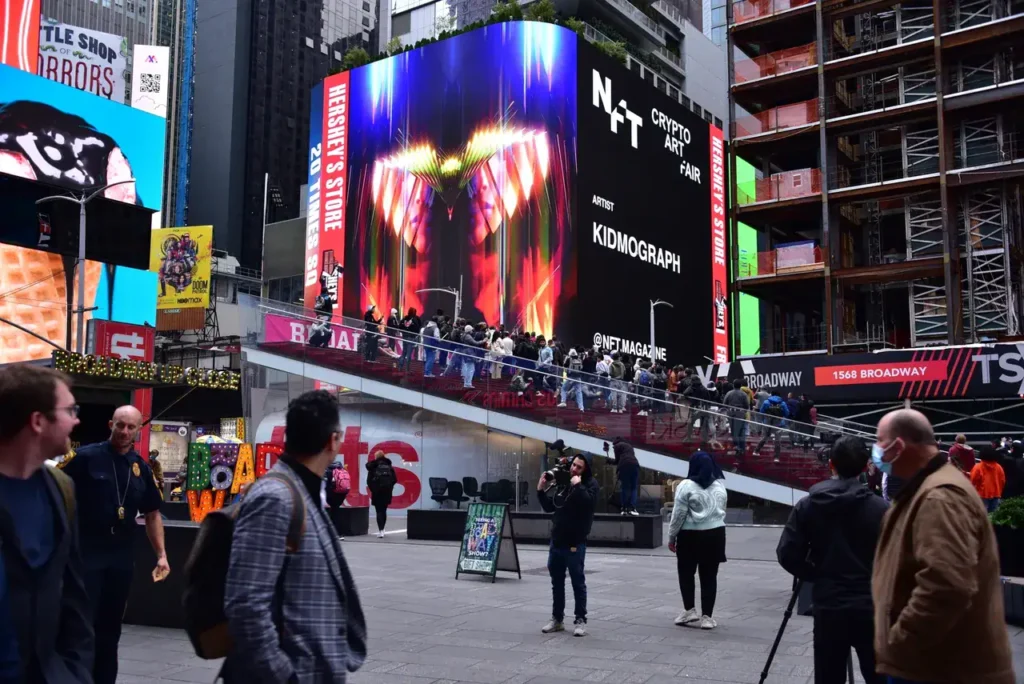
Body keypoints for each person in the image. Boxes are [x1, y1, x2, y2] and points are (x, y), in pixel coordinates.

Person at [222, 390, 366, 682]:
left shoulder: (302, 491)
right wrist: (284, 676)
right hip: (294, 672)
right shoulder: (275, 497)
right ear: (334, 441)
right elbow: (245, 604)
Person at [871, 409, 1015, 684]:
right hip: (931, 661)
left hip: (934, 666)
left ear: (899, 446)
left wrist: (899, 643)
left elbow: (947, 585)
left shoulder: (939, 498)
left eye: (880, 441)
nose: (876, 450)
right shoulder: (925, 488)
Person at [0, 364, 93, 683]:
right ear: (38, 421)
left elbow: (74, 597)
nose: (77, 419)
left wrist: (75, 672)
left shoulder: (61, 489)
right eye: (70, 410)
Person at [61, 405, 166, 684]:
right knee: (82, 626)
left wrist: (162, 555)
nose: (124, 432)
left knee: (110, 629)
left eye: (131, 427)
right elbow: (57, 499)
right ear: (110, 424)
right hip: (87, 553)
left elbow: (153, 513)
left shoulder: (140, 467)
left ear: (139, 430)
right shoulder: (84, 459)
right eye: (120, 425)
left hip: (120, 556)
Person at [776, 436, 887, 684]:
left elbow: (786, 553)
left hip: (829, 604)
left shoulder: (809, 506)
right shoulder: (881, 510)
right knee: (878, 675)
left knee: (828, 676)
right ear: (865, 466)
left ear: (831, 464)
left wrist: (816, 573)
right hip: (871, 605)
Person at [537, 452, 598, 637]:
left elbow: (588, 504)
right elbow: (550, 507)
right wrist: (541, 490)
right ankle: (557, 619)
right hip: (557, 539)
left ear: (586, 469)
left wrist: (578, 486)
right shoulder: (564, 482)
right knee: (557, 582)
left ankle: (580, 619)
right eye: (573, 465)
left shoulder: (590, 485)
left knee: (577, 582)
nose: (574, 469)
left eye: (579, 467)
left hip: (575, 542)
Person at [667, 451, 727, 630]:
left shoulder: (685, 485)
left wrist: (671, 537)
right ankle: (707, 617)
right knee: (709, 576)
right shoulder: (719, 485)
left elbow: (678, 514)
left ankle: (689, 610)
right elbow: (722, 509)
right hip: (716, 534)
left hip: (690, 536)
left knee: (686, 573)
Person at [366, 450, 397, 538]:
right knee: (384, 510)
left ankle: (381, 531)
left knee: (378, 511)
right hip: (387, 492)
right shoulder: (389, 466)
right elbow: (395, 479)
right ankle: (383, 529)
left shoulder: (373, 466)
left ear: (376, 457)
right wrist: (389, 487)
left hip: (377, 492)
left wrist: (374, 489)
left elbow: (368, 481)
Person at [607, 438, 640, 516]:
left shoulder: (616, 446)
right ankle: (632, 508)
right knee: (634, 488)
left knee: (625, 487)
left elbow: (617, 461)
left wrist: (609, 461)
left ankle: (624, 508)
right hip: (635, 465)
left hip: (624, 466)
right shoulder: (629, 446)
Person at [970, 445, 1006, 513]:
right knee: (994, 516)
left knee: (983, 516)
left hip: (982, 495)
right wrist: (999, 491)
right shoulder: (999, 467)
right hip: (996, 494)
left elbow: (972, 481)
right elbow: (1002, 481)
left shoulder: (978, 467)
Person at [756, 390, 789, 462]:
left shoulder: (766, 402)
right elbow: (786, 413)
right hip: (778, 424)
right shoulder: (782, 403)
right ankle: (776, 457)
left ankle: (756, 451)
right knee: (777, 441)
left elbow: (761, 412)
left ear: (771, 395)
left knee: (764, 438)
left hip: (767, 423)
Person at [722, 379, 751, 457]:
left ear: (733, 385)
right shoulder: (743, 394)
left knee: (734, 430)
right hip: (741, 413)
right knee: (741, 431)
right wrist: (743, 412)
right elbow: (747, 405)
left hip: (731, 413)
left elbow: (724, 403)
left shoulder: (729, 393)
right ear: (740, 386)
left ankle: (737, 447)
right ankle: (741, 447)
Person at [398, 307, 421, 371]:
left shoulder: (405, 318)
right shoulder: (415, 319)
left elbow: (400, 327)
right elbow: (417, 328)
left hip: (404, 337)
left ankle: (400, 367)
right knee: (409, 354)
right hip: (411, 338)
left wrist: (404, 332)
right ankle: (407, 369)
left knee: (404, 353)